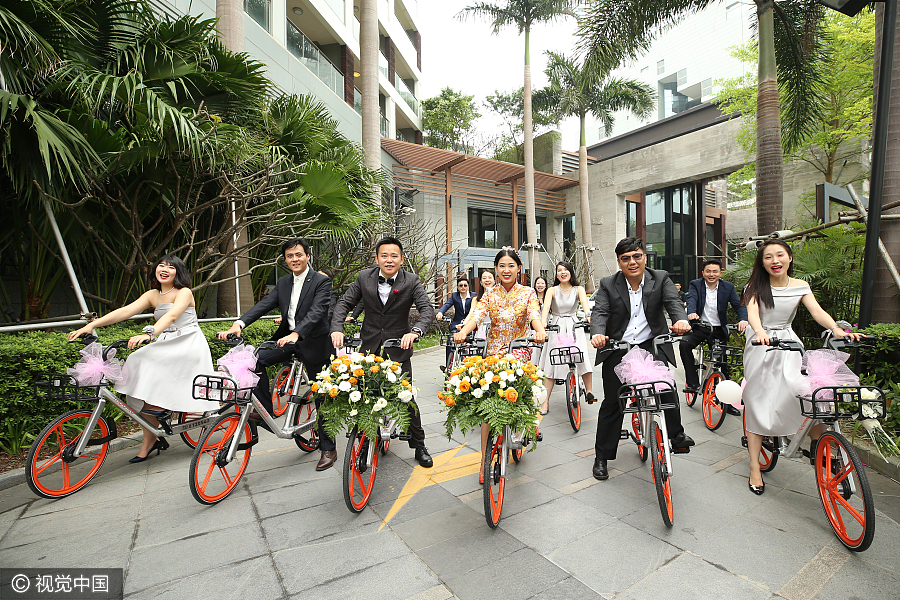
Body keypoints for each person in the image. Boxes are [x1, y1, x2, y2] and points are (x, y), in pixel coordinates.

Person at [67, 255, 219, 463]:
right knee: (136, 359)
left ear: (179, 272)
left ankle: (161, 407)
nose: (164, 269)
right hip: (167, 341)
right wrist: (91, 325)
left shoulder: (184, 292)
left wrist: (150, 334)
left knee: (146, 360)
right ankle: (152, 434)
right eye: (161, 265)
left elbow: (172, 316)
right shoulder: (153, 294)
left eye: (171, 267)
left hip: (188, 342)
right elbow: (126, 311)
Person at [742, 239, 859, 495]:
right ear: (762, 262)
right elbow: (752, 315)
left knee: (802, 391)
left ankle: (817, 443)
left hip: (789, 342)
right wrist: (759, 332)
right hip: (761, 344)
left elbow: (817, 312)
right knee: (758, 400)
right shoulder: (754, 286)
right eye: (768, 257)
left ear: (790, 258)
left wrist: (836, 329)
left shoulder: (800, 286)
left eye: (780, 255)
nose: (775, 261)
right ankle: (754, 466)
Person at [218, 238, 337, 471]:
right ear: (285, 259)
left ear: (307, 256)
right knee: (255, 361)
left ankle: (328, 448)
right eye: (290, 256)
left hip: (315, 343)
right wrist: (239, 324)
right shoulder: (283, 282)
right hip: (288, 340)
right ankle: (265, 411)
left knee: (322, 396)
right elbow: (264, 304)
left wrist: (297, 333)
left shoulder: (321, 281)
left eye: (299, 255)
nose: (295, 259)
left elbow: (317, 311)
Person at [589, 237, 695, 481]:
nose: (632, 262)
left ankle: (676, 435)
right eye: (625, 258)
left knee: (666, 388)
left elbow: (673, 303)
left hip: (650, 345)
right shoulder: (608, 283)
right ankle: (602, 456)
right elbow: (600, 312)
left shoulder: (660, 278)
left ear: (645, 258)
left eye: (637, 256)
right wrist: (597, 334)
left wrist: (681, 320)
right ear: (619, 262)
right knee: (614, 402)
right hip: (618, 347)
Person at [330, 237, 436, 468]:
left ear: (401, 259)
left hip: (399, 348)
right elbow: (344, 304)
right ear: (377, 258)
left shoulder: (411, 280)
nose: (389, 260)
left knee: (406, 398)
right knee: (364, 397)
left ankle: (419, 445)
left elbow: (426, 309)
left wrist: (415, 332)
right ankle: (366, 440)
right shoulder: (363, 278)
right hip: (369, 348)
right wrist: (337, 328)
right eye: (384, 256)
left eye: (394, 256)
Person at [454, 248, 547, 483]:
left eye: (511, 266)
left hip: (519, 349)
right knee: (487, 404)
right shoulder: (489, 294)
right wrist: (464, 332)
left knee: (521, 389)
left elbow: (534, 315)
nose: (506, 270)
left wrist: (539, 331)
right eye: (502, 266)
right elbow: (477, 316)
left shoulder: (527, 293)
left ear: (519, 268)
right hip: (493, 352)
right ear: (496, 269)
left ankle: (523, 422)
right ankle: (484, 460)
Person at [680, 259, 748, 415]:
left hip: (718, 330)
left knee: (723, 365)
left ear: (720, 273)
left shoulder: (727, 287)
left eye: (715, 271)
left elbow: (739, 305)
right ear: (703, 273)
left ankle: (727, 403)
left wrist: (743, 320)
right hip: (700, 327)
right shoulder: (696, 284)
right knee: (684, 344)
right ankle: (692, 381)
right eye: (708, 271)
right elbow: (692, 299)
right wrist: (692, 313)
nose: (711, 274)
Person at [537, 262, 594, 415]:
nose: (563, 272)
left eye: (565, 270)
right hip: (556, 327)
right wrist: (542, 324)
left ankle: (589, 391)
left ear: (570, 272)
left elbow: (585, 305)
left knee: (581, 356)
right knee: (551, 363)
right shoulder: (552, 290)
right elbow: (546, 308)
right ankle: (545, 401)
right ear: (556, 274)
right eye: (559, 270)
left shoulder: (578, 289)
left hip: (574, 326)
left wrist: (589, 317)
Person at [436, 275, 475, 369]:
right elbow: (447, 305)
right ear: (457, 287)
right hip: (456, 325)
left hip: (470, 325)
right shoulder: (454, 296)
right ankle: (448, 366)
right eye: (461, 285)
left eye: (465, 285)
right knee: (450, 341)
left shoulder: (474, 296)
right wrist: (440, 313)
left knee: (472, 343)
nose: (463, 287)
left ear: (468, 287)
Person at [463, 270, 495, 339]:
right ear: (480, 282)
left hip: (496, 330)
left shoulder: (499, 298)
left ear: (494, 281)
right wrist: (463, 325)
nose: (487, 280)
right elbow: (471, 314)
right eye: (484, 278)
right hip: (482, 330)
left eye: (490, 277)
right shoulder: (476, 299)